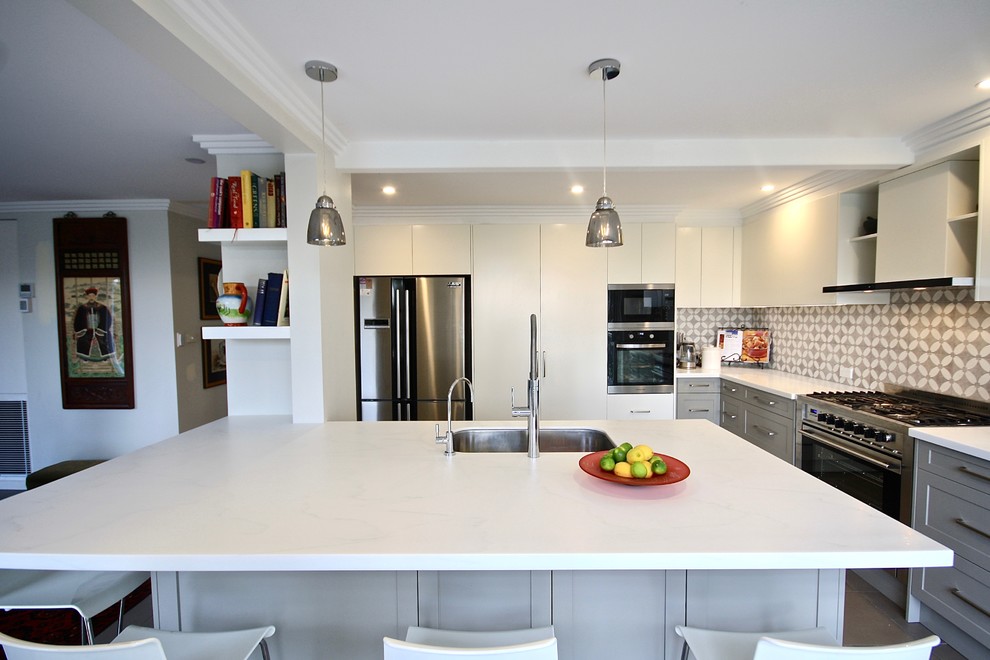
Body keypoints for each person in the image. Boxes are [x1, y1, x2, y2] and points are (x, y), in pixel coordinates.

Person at [73, 287, 115, 361]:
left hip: (100, 329)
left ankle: (106, 357)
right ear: (87, 296)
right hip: (86, 330)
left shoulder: (103, 308)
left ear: (95, 296)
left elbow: (107, 319)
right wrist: (82, 330)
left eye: (93, 295)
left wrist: (100, 329)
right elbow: (77, 321)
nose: (91, 297)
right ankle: (83, 358)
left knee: (105, 339)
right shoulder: (82, 308)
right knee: (83, 341)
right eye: (89, 295)